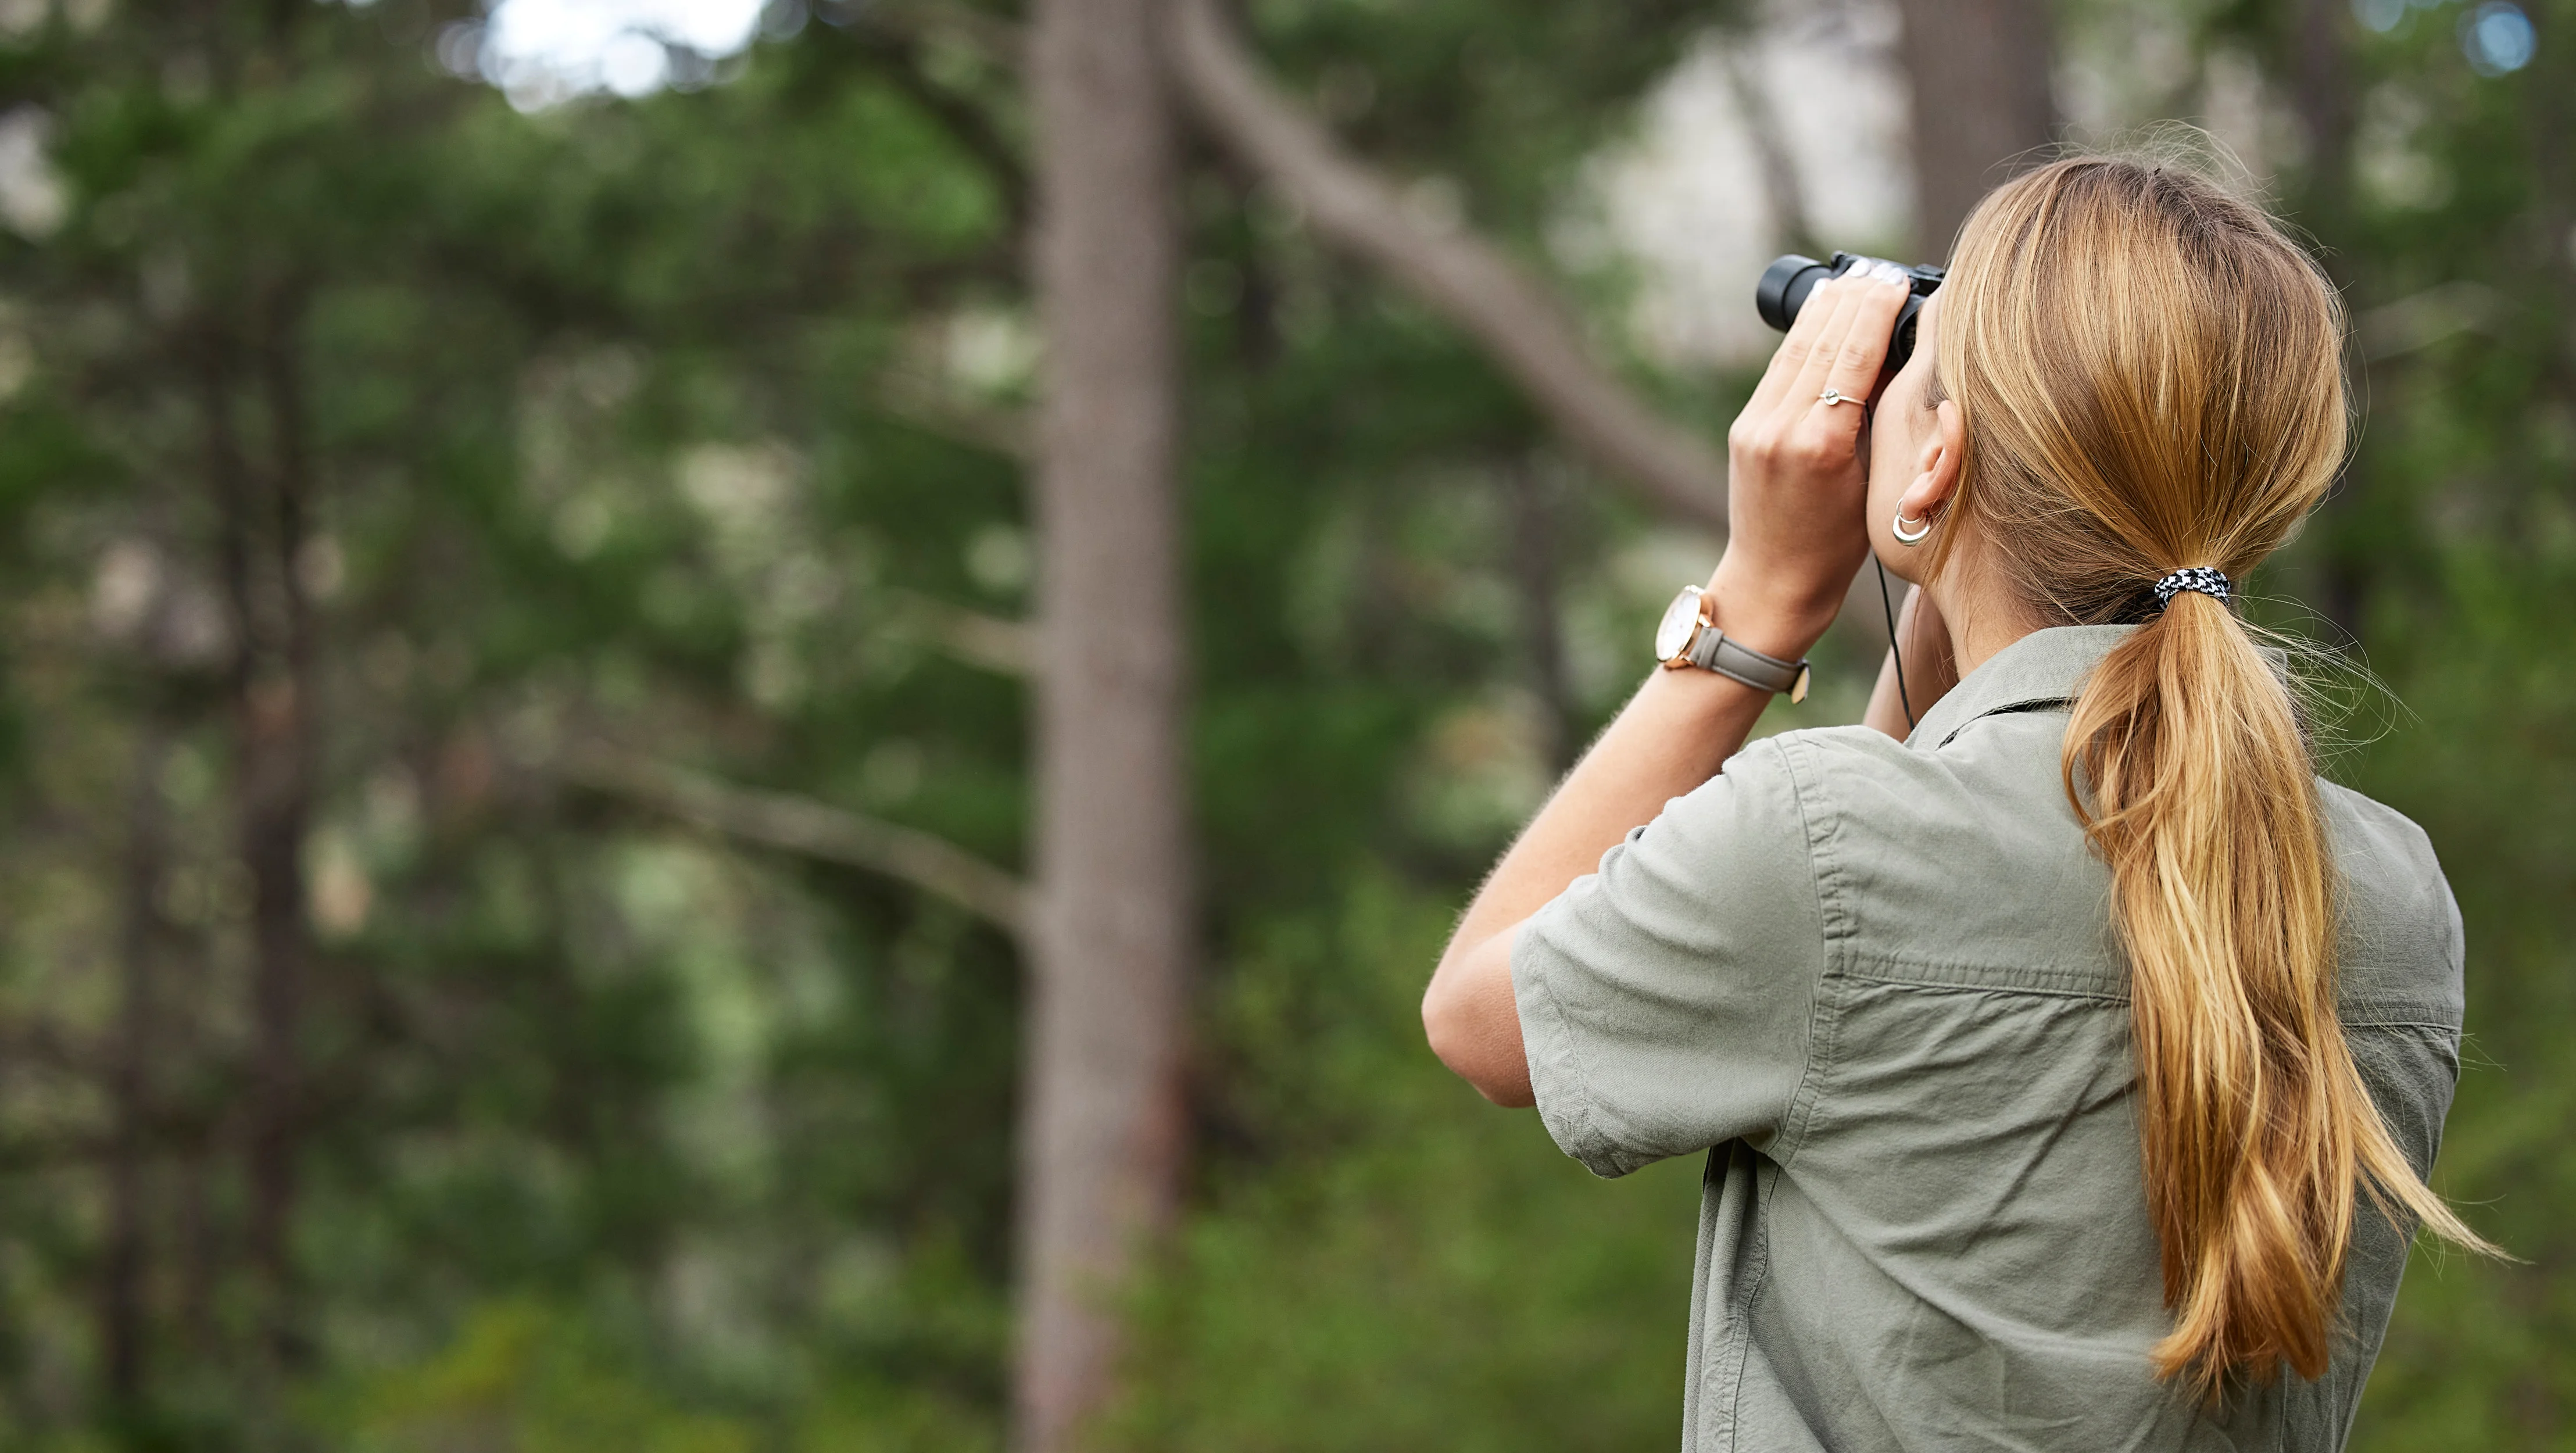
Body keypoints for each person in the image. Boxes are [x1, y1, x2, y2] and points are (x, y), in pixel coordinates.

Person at [1420, 153, 2494, 1450]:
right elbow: (1944, 819)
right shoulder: (2387, 892)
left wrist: (1756, 604)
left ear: (1934, 454)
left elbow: (1480, 1017)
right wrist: (1942, 554)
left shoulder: (1820, 851)